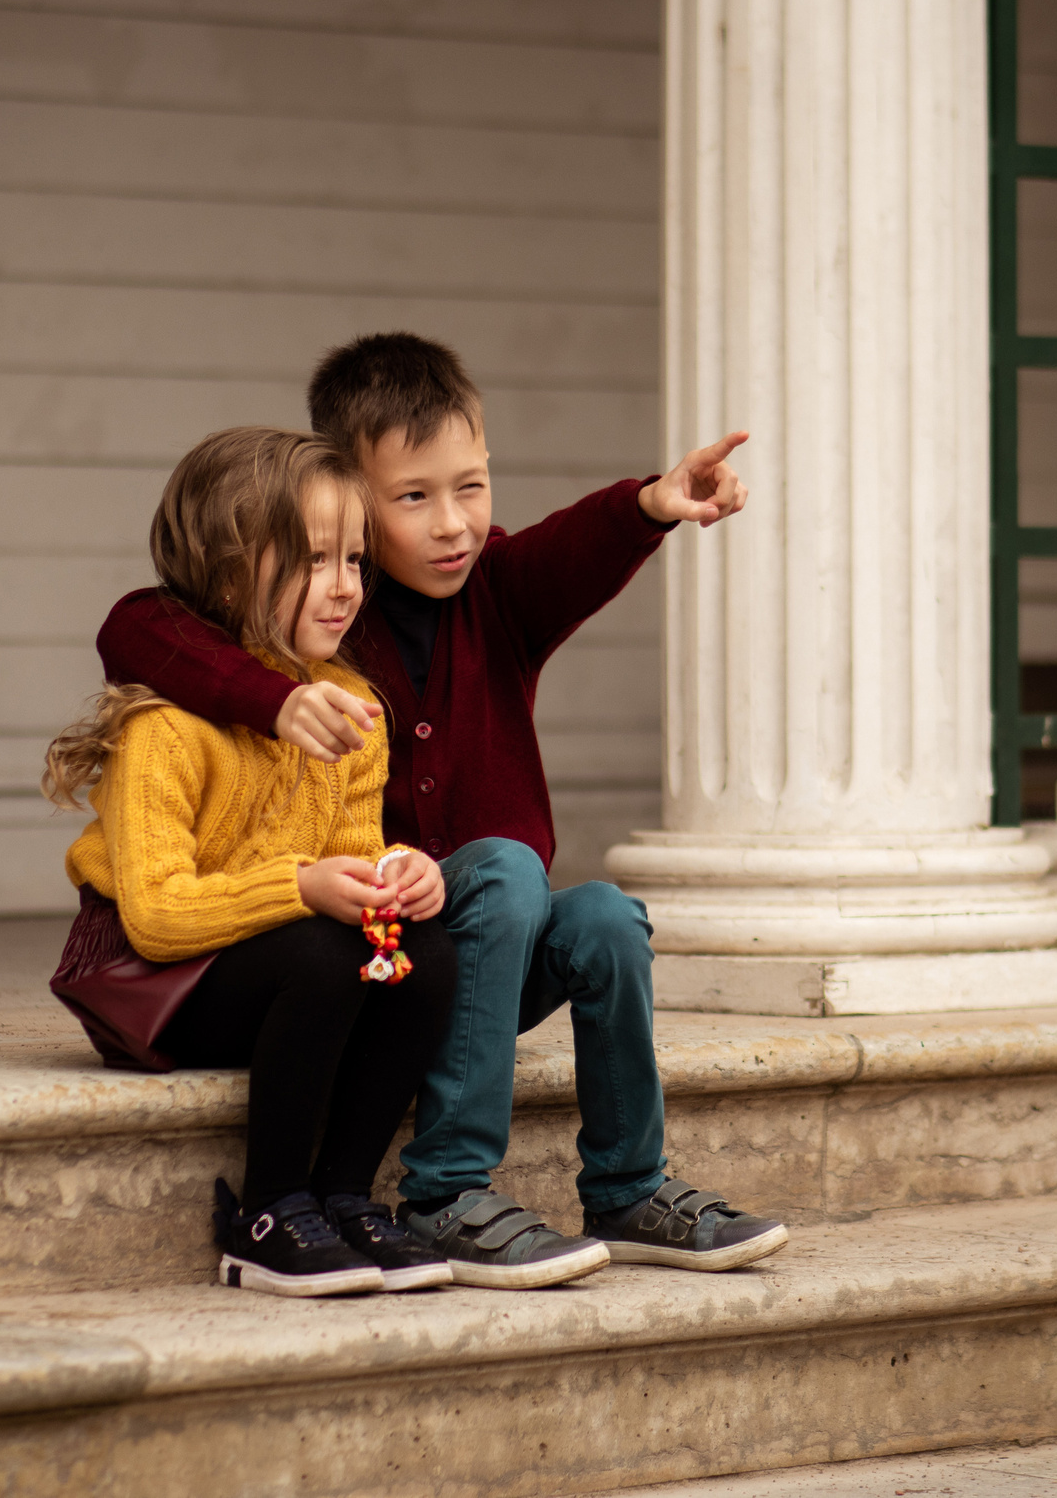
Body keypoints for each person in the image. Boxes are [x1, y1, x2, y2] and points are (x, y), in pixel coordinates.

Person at [96, 334, 788, 1288]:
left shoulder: (498, 596)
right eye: (413, 497)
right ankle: (447, 1190)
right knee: (505, 866)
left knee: (604, 920)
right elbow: (136, 621)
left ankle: (629, 1186)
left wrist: (651, 505)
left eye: (472, 486)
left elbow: (568, 551)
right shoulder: (330, 599)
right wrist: (272, 699)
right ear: (346, 496)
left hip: (462, 947)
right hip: (397, 943)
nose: (453, 523)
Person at [43, 426, 459, 1298]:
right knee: (321, 951)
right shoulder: (165, 727)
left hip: (284, 970)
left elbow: (346, 854)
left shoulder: (348, 703)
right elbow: (155, 916)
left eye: (354, 558)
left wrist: (396, 871)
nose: (345, 585)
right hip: (157, 986)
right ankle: (267, 1214)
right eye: (313, 559)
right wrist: (301, 888)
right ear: (231, 568)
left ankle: (345, 1196)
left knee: (422, 955)